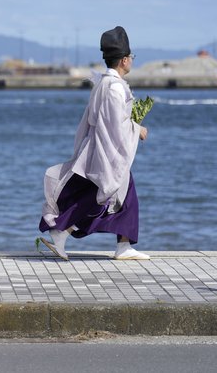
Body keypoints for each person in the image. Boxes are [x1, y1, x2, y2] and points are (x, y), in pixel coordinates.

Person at [39, 26, 150, 261]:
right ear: (123, 60)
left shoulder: (102, 83)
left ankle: (122, 244)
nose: (131, 61)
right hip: (106, 152)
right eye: (131, 58)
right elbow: (115, 126)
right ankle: (62, 230)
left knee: (123, 195)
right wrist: (136, 129)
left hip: (98, 148)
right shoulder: (114, 87)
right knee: (100, 198)